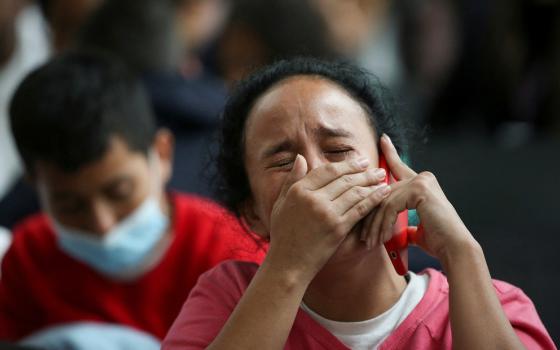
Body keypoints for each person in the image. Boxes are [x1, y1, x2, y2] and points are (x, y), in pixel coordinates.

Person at [162, 58, 555, 349]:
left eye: (337, 150)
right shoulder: (227, 297)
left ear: (391, 171)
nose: (314, 173)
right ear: (251, 214)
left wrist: (462, 253)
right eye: (282, 162)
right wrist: (289, 265)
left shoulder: (490, 302)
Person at [0, 51, 265, 345]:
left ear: (162, 154)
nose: (102, 224)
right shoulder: (29, 258)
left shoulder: (232, 257)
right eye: (69, 205)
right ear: (35, 185)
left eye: (119, 192)